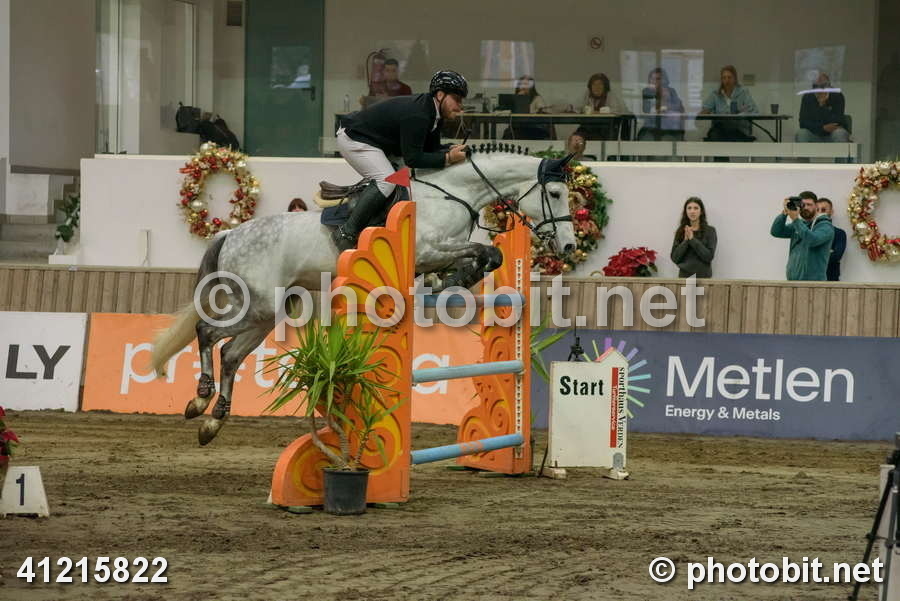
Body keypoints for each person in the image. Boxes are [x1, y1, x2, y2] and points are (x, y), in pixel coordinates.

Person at [332, 70, 469, 251]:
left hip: (377, 142)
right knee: (386, 180)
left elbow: (430, 149)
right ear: (440, 95)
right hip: (354, 138)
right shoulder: (419, 114)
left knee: (405, 184)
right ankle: (347, 233)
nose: (460, 106)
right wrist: (449, 158)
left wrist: (449, 149)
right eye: (457, 99)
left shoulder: (434, 114)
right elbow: (413, 158)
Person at [770, 191, 834, 281]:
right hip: (792, 281)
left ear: (816, 206)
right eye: (803, 205)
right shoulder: (799, 224)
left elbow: (812, 240)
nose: (806, 207)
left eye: (809, 204)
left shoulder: (825, 226)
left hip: (814, 283)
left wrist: (795, 220)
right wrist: (784, 213)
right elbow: (776, 231)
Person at [700, 65, 758, 142]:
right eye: (724, 78)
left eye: (729, 77)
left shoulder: (743, 92)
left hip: (739, 129)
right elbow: (705, 110)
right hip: (720, 130)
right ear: (721, 79)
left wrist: (741, 113)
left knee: (734, 138)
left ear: (735, 78)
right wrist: (704, 111)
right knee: (715, 135)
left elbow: (754, 111)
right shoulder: (715, 94)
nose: (727, 80)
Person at [796, 72, 850, 143]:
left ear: (829, 86)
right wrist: (822, 128)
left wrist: (823, 105)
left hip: (832, 134)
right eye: (815, 86)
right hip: (815, 134)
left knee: (839, 134)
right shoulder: (807, 97)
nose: (819, 89)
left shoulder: (837, 96)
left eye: (822, 86)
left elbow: (837, 121)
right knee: (802, 133)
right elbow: (803, 123)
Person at [670, 197, 717, 278]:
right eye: (689, 208)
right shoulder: (681, 231)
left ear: (701, 211)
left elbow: (708, 257)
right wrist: (686, 241)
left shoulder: (710, 231)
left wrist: (692, 239)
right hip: (685, 277)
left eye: (696, 208)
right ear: (686, 211)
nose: (692, 211)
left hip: (703, 277)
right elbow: (675, 258)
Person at [575, 73, 630, 141]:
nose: (596, 87)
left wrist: (598, 112)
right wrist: (583, 110)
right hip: (588, 127)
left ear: (605, 86)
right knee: (576, 137)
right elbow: (577, 108)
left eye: (600, 84)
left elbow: (616, 110)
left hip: (606, 128)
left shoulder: (610, 95)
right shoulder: (587, 94)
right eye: (594, 84)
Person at [637, 68, 685, 141]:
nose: (654, 81)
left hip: (669, 127)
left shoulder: (671, 91)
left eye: (658, 79)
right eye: (652, 78)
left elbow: (679, 107)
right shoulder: (647, 91)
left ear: (664, 80)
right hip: (651, 126)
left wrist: (666, 99)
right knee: (645, 140)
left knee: (668, 141)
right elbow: (646, 109)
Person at [503, 76, 552, 140]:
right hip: (519, 127)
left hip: (534, 127)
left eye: (526, 84)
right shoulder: (516, 98)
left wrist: (535, 111)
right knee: (507, 133)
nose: (523, 87)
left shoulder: (537, 98)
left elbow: (544, 111)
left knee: (516, 134)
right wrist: (519, 98)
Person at [816, 198, 846, 281]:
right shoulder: (808, 231)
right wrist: (827, 252)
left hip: (831, 279)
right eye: (817, 210)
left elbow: (836, 256)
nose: (820, 213)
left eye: (823, 210)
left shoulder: (839, 233)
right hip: (808, 279)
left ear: (831, 212)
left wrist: (814, 255)